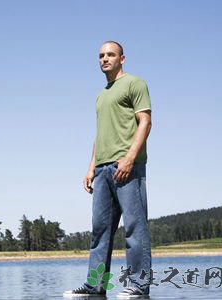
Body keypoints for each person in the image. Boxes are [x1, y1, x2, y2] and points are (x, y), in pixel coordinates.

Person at [64, 41, 152, 298]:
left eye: (110, 54)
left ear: (122, 58)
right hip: (102, 171)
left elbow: (145, 122)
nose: (105, 59)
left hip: (126, 166)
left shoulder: (135, 83)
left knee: (135, 228)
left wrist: (129, 158)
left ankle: (139, 284)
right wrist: (91, 167)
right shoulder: (101, 95)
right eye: (101, 55)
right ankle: (95, 285)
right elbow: (100, 134)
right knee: (100, 231)